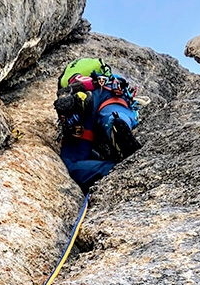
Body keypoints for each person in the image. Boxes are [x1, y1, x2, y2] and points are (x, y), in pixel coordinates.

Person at [54, 62, 141, 192]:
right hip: (114, 93)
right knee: (114, 115)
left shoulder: (68, 81)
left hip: (86, 104)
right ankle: (115, 125)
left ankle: (109, 168)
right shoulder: (103, 74)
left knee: (70, 165)